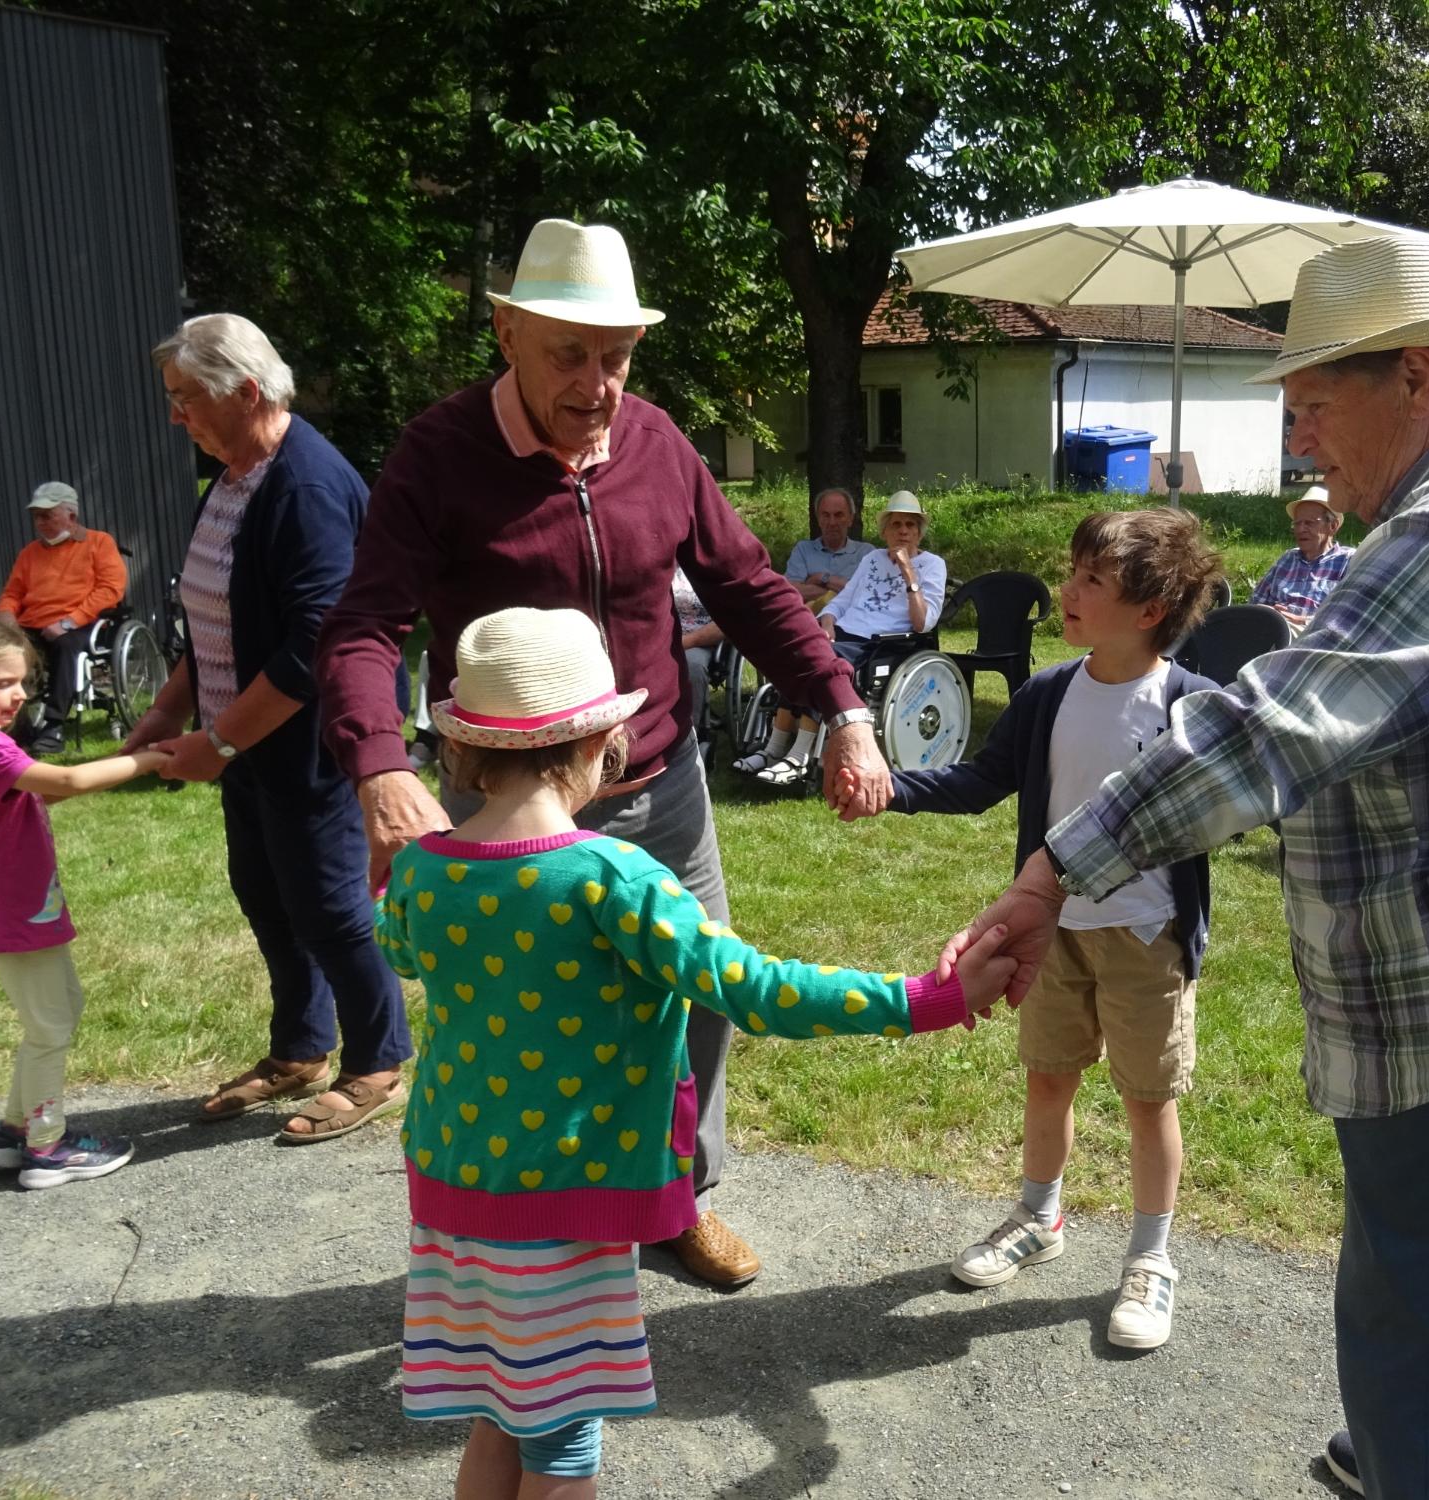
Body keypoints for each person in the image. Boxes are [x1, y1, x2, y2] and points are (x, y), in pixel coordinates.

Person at [940, 238, 1429, 1500]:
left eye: (1317, 402)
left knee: (1424, 1324)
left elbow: (1275, 728)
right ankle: (1411, 1446)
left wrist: (1052, 871)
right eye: (1291, 408)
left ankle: (1424, 1461)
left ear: (1418, 376)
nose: (1302, 440)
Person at [316, 217, 893, 1288]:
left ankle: (678, 1199)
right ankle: (530, 1227)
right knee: (526, 1022)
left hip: (661, 783)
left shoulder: (660, 445)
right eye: (568, 356)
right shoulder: (440, 457)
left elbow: (750, 587)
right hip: (508, 798)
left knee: (705, 992)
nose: (595, 385)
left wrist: (843, 707)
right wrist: (382, 765)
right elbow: (363, 626)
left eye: (616, 357)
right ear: (506, 333)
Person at [381, 607, 1013, 1499]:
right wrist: (928, 999)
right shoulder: (615, 881)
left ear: (468, 749)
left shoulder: (424, 870)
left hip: (451, 1200)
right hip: (565, 1212)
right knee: (561, 1452)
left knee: (499, 1417)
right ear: (605, 740)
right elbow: (755, 990)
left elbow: (399, 947)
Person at [849, 507, 1221, 1351]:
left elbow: (1227, 811)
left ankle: (1151, 1258)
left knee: (1146, 1099)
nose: (1068, 591)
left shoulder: (1189, 706)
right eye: (1073, 573)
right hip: (1052, 935)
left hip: (1146, 938)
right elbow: (984, 780)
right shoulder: (1049, 691)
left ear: (1151, 607)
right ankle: (1037, 1218)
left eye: (1093, 580)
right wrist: (894, 789)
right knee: (1048, 1078)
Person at [121, 313, 412, 1140]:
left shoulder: (306, 487)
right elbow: (220, 615)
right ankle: (299, 1049)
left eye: (186, 399)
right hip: (245, 742)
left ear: (246, 392)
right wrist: (173, 709)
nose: (176, 416)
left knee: (327, 905)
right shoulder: (235, 475)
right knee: (266, 895)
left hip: (307, 741)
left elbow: (313, 644)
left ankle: (378, 1060)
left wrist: (217, 743)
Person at [0, 611, 168, 1188]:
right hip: (14, 910)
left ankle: (15, 1130)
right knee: (50, 1025)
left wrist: (123, 760)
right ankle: (47, 1147)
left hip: (19, 906)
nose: (18, 694)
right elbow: (67, 783)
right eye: (2, 683)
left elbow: (43, 795)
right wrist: (147, 759)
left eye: (21, 682)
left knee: (59, 1010)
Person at [741, 491, 947, 786]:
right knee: (798, 654)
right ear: (885, 530)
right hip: (846, 631)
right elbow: (844, 599)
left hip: (884, 641)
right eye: (896, 524)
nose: (903, 530)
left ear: (919, 532)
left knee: (822, 665)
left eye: (910, 525)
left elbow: (923, 623)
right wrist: (826, 621)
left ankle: (799, 756)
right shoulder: (873, 558)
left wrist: (908, 571)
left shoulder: (932, 565)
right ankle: (773, 749)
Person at [0, 482, 128, 755]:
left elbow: (110, 589)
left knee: (66, 646)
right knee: (0, 651)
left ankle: (54, 725)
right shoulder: (30, 553)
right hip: (32, 624)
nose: (39, 523)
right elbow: (13, 593)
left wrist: (69, 621)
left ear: (71, 516)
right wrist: (6, 617)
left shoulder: (99, 543)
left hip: (82, 623)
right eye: (36, 517)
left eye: (47, 515)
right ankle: (18, 727)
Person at [1250, 484, 1352, 630]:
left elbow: (1348, 617)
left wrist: (1304, 621)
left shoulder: (1347, 560)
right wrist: (1269, 612)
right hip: (1273, 630)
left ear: (1333, 526)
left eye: (1309, 523)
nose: (1300, 529)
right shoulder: (1288, 558)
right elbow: (1255, 601)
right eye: (1297, 523)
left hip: (1316, 636)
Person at [783, 487, 871, 606]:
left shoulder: (866, 553)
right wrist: (842, 590)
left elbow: (867, 594)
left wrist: (821, 578)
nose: (832, 522)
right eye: (825, 515)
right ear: (818, 519)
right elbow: (790, 591)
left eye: (839, 515)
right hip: (811, 621)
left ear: (850, 519)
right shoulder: (803, 550)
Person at [671, 567, 722, 739]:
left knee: (691, 666)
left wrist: (684, 642)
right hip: (658, 635)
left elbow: (728, 620)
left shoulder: (713, 563)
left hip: (700, 639)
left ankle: (687, 738)